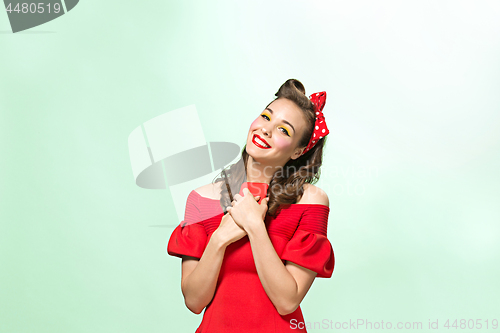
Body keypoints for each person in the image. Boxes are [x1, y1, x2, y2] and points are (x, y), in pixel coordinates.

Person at [167, 78, 335, 332]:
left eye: (284, 130)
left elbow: (287, 301)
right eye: (266, 117)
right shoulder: (201, 199)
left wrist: (255, 226)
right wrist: (220, 238)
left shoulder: (311, 201)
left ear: (298, 152)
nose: (266, 129)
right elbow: (193, 300)